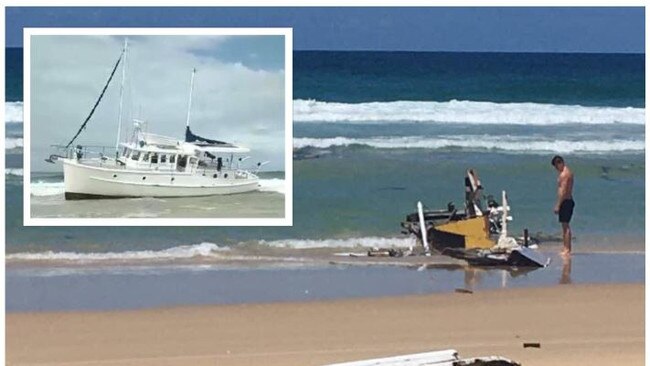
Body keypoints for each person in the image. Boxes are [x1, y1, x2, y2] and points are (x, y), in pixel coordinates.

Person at [551, 155, 575, 256]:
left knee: (566, 226)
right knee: (564, 226)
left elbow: (564, 191)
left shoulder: (565, 174)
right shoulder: (567, 172)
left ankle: (567, 249)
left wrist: (558, 204)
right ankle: (566, 247)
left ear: (559, 163)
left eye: (556, 166)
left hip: (565, 201)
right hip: (567, 200)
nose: (556, 169)